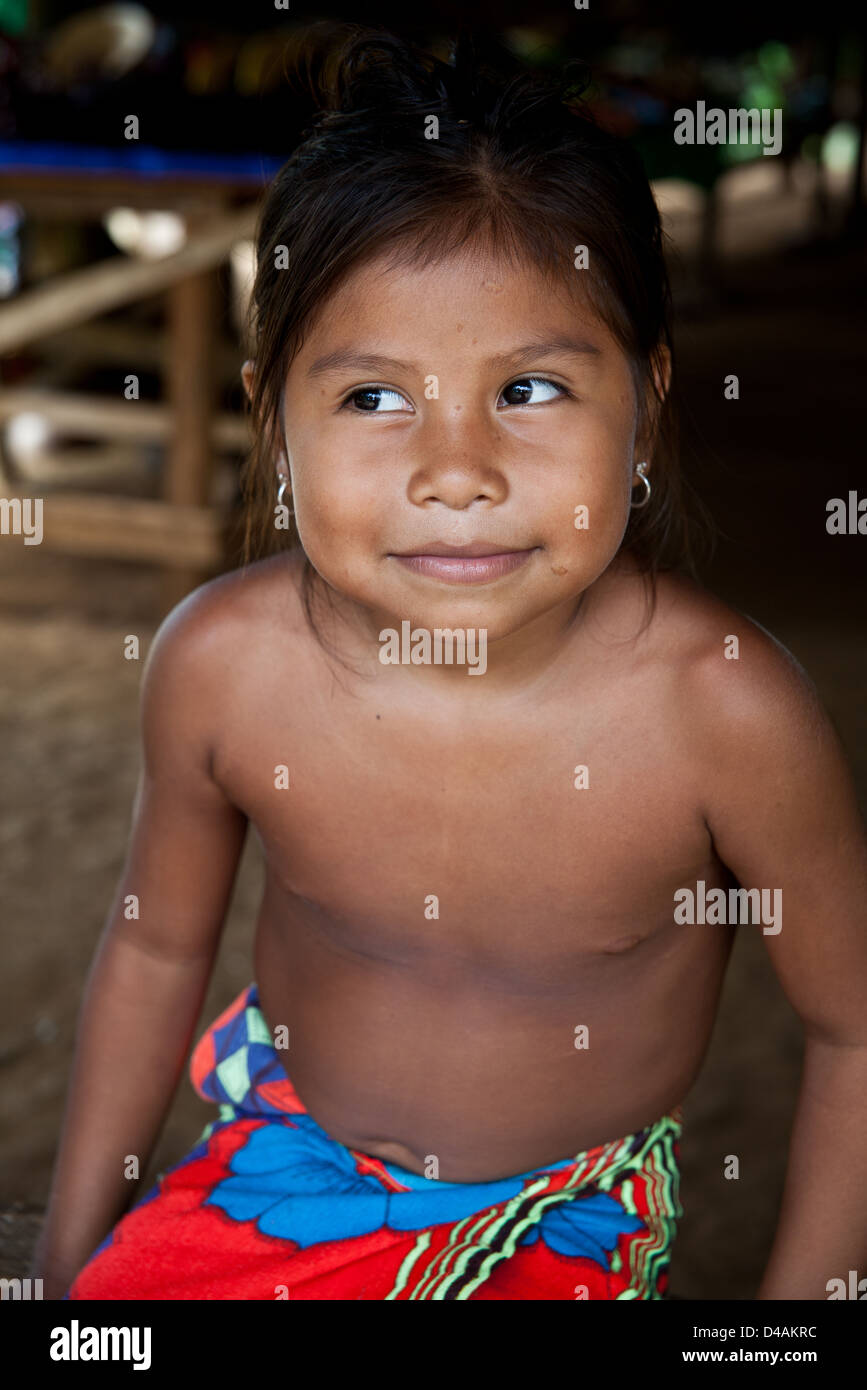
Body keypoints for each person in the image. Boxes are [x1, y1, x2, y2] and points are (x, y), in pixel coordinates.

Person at [32, 23, 867, 1301]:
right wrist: (66, 1268)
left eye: (530, 389)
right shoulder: (224, 665)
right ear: (273, 418)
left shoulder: (723, 712)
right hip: (277, 1168)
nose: (457, 474)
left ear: (644, 402)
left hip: (558, 1222)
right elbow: (153, 952)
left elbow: (854, 1025)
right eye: (374, 398)